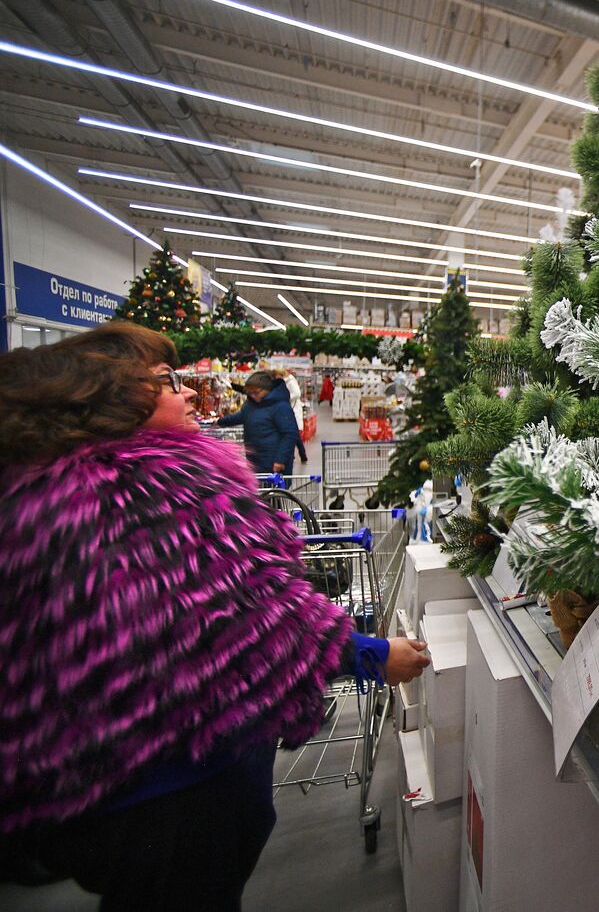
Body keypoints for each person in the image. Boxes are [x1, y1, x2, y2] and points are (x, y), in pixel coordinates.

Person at [0, 322, 430, 910]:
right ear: (111, 399)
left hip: (98, 784)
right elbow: (260, 616)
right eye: (165, 382)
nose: (187, 395)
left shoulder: (42, 494)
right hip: (183, 784)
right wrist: (376, 655)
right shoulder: (159, 492)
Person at [217, 369, 300, 474]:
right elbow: (242, 416)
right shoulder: (251, 404)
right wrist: (220, 422)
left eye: (256, 392)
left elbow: (290, 434)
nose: (253, 396)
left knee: (274, 489)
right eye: (250, 393)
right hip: (255, 460)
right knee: (259, 487)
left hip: (274, 462)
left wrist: (280, 460)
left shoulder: (280, 406)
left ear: (267, 389)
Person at [273, 367, 310, 466]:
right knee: (295, 434)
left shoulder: (290, 381)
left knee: (293, 433)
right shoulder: (287, 381)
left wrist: (286, 398)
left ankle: (296, 454)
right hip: (291, 410)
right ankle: (302, 454)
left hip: (293, 410)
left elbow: (297, 393)